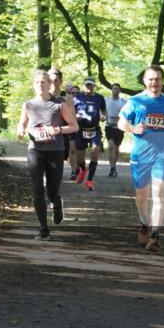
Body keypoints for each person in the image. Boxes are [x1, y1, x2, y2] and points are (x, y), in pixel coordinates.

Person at [118, 65, 164, 253]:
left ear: (163, 80)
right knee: (141, 196)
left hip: (162, 153)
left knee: (159, 193)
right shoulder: (135, 101)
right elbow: (121, 121)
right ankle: (144, 222)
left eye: (158, 78)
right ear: (145, 81)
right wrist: (133, 128)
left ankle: (155, 235)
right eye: (151, 79)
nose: (154, 82)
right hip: (141, 154)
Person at [17, 69, 79, 240]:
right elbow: (22, 124)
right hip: (35, 150)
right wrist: (21, 131)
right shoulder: (28, 104)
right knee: (37, 188)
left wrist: (57, 129)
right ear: (33, 85)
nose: (40, 86)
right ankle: (43, 228)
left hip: (55, 151)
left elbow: (74, 126)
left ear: (50, 85)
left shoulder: (59, 104)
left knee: (51, 191)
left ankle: (56, 201)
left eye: (43, 83)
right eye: (37, 83)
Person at [73, 77, 106, 190]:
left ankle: (89, 180)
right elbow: (71, 112)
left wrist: (103, 116)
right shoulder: (77, 97)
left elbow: (104, 111)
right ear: (84, 86)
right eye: (87, 85)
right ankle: (83, 168)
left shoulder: (100, 98)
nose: (88, 87)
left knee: (95, 152)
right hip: (81, 130)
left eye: (90, 85)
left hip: (94, 130)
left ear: (94, 86)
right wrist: (75, 116)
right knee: (80, 158)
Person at [104, 82, 127, 176]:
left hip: (119, 127)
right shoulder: (106, 100)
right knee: (110, 147)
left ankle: (114, 166)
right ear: (111, 90)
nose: (115, 90)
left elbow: (127, 115)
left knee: (117, 148)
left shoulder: (123, 101)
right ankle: (112, 168)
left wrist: (121, 118)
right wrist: (102, 116)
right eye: (114, 88)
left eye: (117, 89)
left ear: (120, 91)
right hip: (109, 126)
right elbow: (102, 112)